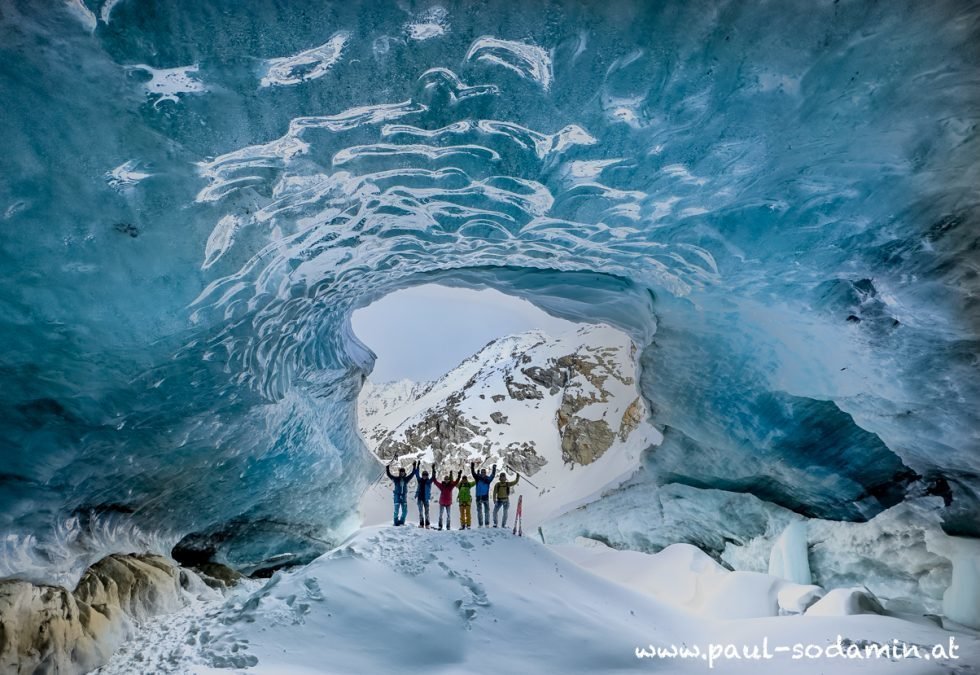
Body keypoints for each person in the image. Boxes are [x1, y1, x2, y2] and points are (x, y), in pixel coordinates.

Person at [386, 460, 417, 526]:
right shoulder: (396, 479)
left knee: (405, 511)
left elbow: (412, 474)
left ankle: (402, 521)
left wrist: (414, 466)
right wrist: (387, 467)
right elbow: (389, 475)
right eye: (401, 472)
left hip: (404, 497)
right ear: (399, 473)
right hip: (397, 496)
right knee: (396, 510)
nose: (402, 473)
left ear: (404, 472)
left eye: (403, 472)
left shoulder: (406, 479)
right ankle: (396, 522)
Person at [471, 461, 497, 528]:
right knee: (479, 511)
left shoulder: (488, 479)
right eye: (482, 472)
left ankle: (487, 524)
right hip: (478, 497)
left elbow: (493, 475)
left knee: (486, 511)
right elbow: (473, 473)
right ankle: (480, 524)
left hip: (485, 497)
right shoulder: (478, 478)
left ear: (485, 473)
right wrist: (472, 466)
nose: (483, 473)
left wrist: (494, 468)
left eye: (484, 472)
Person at [415, 463, 436, 528]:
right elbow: (417, 474)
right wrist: (417, 466)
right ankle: (421, 524)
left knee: (427, 512)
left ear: (427, 476)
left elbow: (433, 477)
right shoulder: (420, 480)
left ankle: (427, 524)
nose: (424, 476)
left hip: (426, 499)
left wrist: (433, 469)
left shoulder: (428, 482)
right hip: (420, 498)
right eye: (423, 475)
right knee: (420, 512)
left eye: (426, 475)